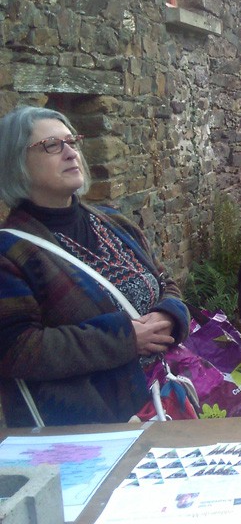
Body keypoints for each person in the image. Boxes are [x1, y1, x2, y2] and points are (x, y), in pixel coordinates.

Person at [0, 106, 190, 427]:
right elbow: (17, 350)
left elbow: (164, 281)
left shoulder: (113, 222)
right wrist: (123, 338)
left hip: (158, 403)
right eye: (51, 145)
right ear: (15, 163)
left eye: (72, 142)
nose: (71, 153)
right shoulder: (11, 252)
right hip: (85, 427)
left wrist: (168, 316)